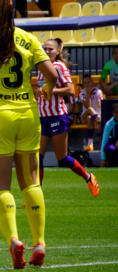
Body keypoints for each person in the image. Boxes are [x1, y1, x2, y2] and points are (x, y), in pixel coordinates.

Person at [0, 0, 58, 270]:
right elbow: (52, 75)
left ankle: (15, 241)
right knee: (31, 182)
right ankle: (39, 242)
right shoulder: (29, 39)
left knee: (0, 186)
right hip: (28, 116)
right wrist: (46, 89)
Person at [36, 38, 99, 196]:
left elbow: (70, 90)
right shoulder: (40, 68)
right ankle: (36, 195)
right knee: (37, 157)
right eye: (45, 49)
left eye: (50, 49)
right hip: (43, 117)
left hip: (57, 116)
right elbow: (43, 90)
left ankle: (88, 177)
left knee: (62, 159)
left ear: (57, 51)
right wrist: (37, 93)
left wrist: (51, 91)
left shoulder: (59, 66)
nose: (47, 51)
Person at [79, 76, 104, 151]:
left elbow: (100, 106)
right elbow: (88, 106)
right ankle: (98, 121)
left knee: (89, 118)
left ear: (92, 82)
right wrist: (88, 93)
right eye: (85, 83)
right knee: (89, 109)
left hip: (93, 116)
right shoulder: (82, 93)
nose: (87, 84)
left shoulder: (98, 91)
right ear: (83, 85)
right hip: (84, 116)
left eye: (88, 82)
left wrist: (99, 114)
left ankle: (90, 144)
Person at [102, 102, 118, 167]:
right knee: (108, 148)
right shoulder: (108, 124)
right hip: (113, 142)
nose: (117, 114)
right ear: (113, 113)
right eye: (116, 112)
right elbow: (104, 141)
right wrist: (103, 159)